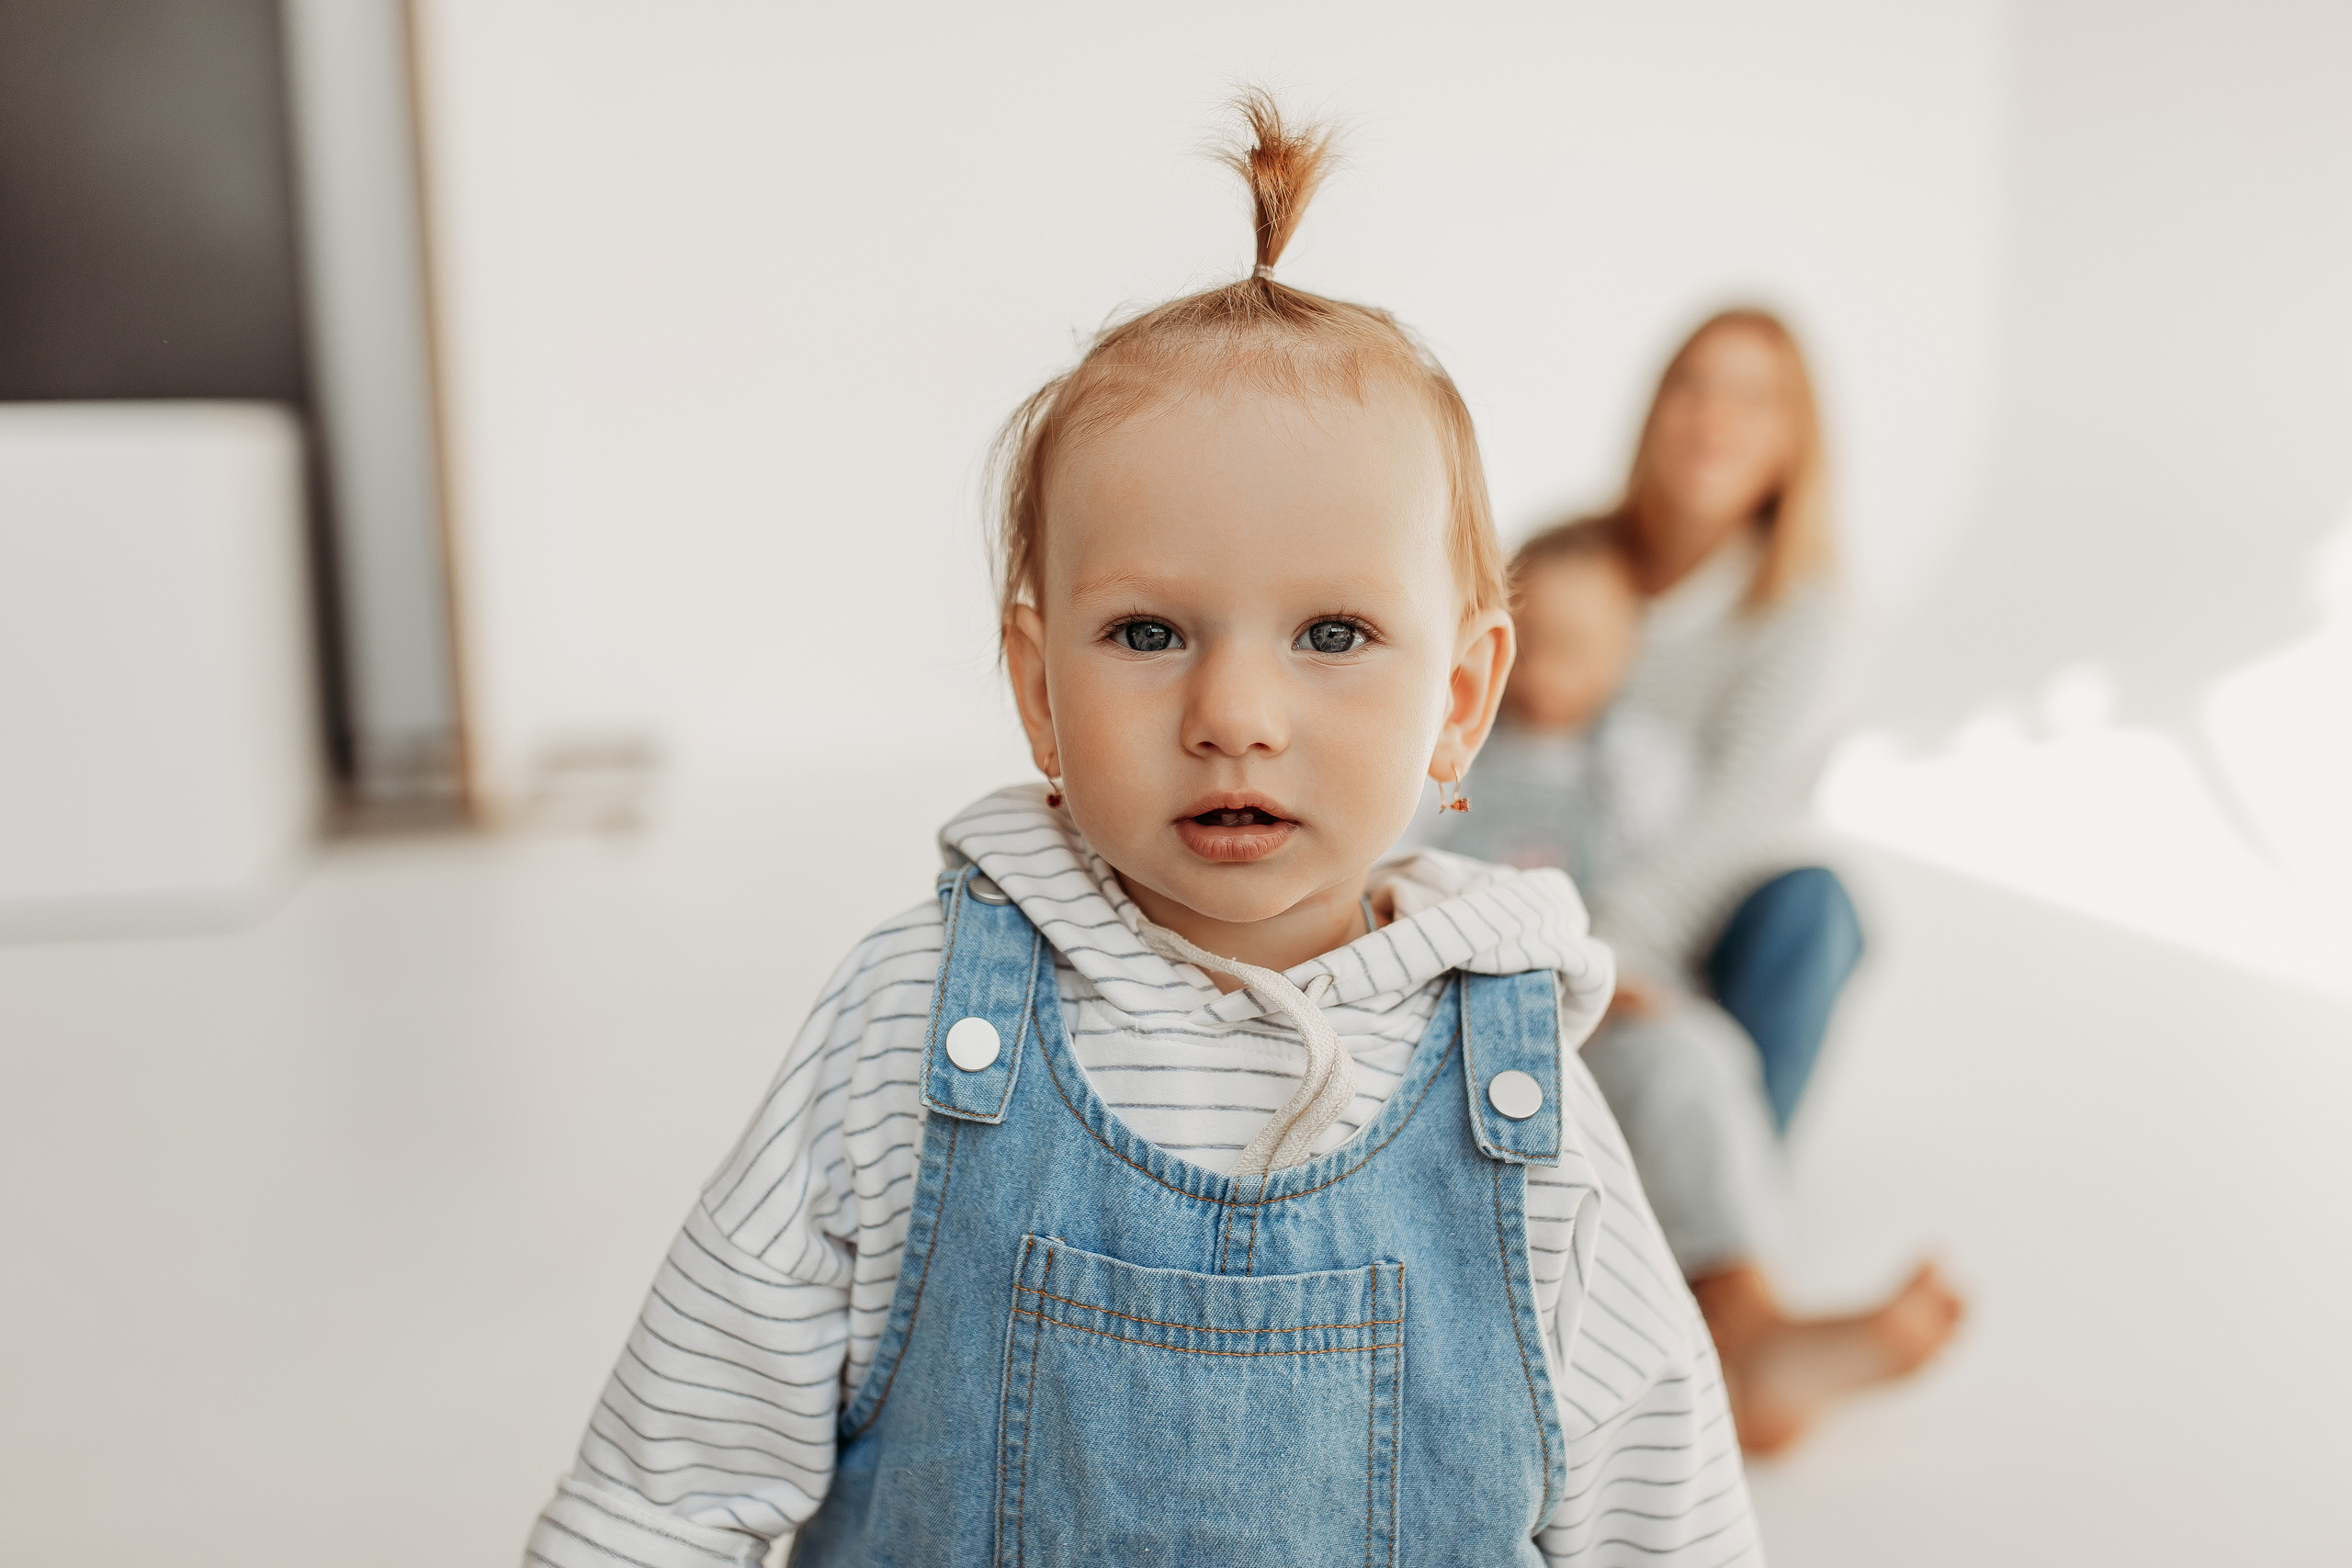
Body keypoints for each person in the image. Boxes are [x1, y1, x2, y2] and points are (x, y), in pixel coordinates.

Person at [520, 96, 1759, 1567]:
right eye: (1150, 631)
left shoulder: (1524, 1103)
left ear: (1462, 698)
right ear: (1038, 690)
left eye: (1333, 632)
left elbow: (1664, 1514)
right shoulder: (910, 1024)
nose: (1234, 712)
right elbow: (670, 1478)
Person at [1517, 312, 1962, 1454]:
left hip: (1675, 936)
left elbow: (1728, 824)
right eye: (1694, 385)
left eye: (1754, 399)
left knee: (1808, 919)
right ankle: (1717, 1315)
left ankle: (1727, 1298)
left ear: (1791, 440)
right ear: (1653, 403)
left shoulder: (1799, 613)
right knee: (1655, 1050)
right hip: (1526, 904)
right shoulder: (1561, 562)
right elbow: (1458, 751)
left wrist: (1611, 957)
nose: (1714, 419)